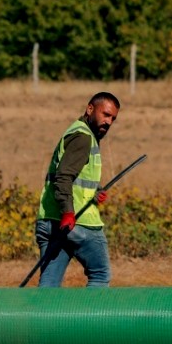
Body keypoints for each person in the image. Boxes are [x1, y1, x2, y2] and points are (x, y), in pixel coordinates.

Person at [34, 91, 120, 287]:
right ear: (90, 109)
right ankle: (90, 319)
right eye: (105, 115)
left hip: (49, 220)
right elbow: (63, 176)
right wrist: (68, 212)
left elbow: (73, 177)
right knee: (100, 274)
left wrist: (94, 192)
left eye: (113, 118)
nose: (109, 122)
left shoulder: (76, 132)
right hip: (77, 222)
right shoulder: (83, 137)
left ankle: (41, 318)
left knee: (49, 284)